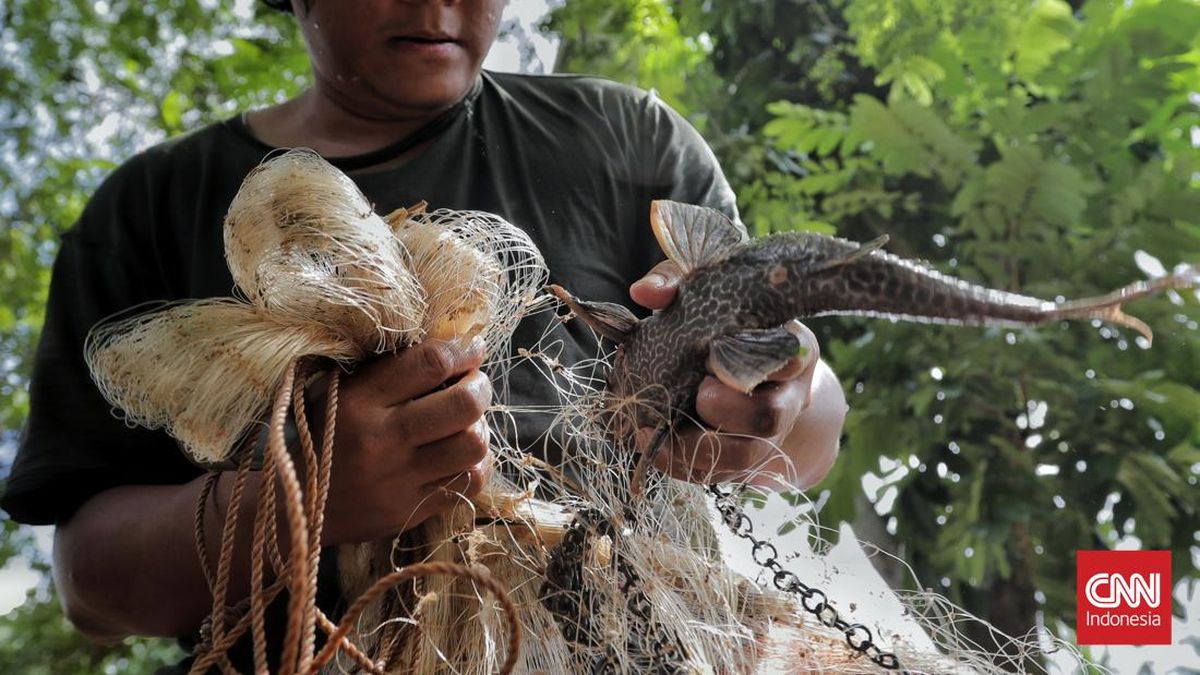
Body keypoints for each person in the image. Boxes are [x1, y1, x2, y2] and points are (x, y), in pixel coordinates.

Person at [0, 0, 847, 671]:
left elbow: (807, 440)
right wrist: (300, 502)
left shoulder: (627, 142)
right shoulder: (147, 208)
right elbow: (91, 588)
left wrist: (778, 395)